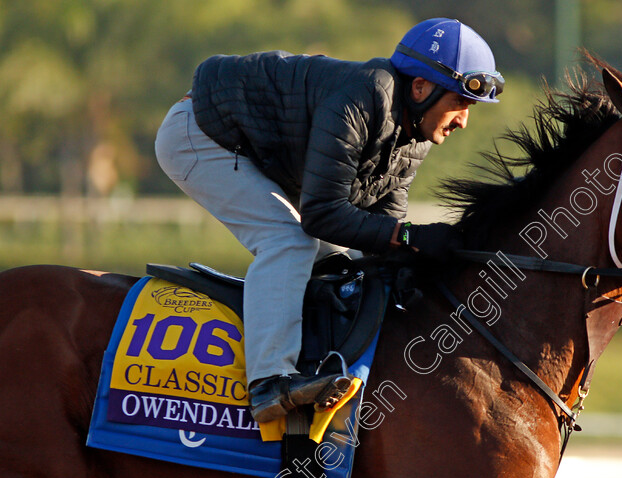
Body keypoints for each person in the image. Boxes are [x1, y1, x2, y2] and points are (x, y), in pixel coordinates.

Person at [154, 18, 504, 423]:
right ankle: (270, 382)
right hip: (199, 131)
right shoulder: (362, 95)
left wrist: (410, 262)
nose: (464, 120)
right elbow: (321, 215)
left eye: (470, 107)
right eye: (460, 103)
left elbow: (380, 234)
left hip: (260, 152)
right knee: (289, 240)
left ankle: (312, 370)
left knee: (339, 265)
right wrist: (411, 236)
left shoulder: (414, 137)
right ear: (421, 88)